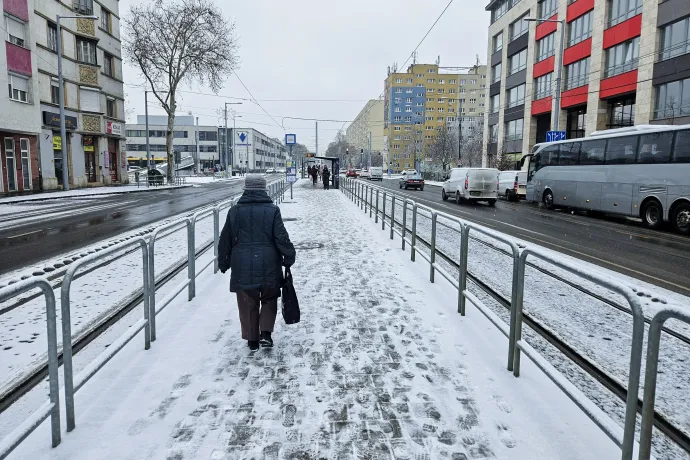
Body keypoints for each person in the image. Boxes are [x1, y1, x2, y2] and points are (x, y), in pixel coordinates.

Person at [218, 174, 296, 351]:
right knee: (269, 298)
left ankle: (252, 339)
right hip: (269, 262)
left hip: (241, 264)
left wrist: (224, 262)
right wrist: (289, 256)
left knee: (247, 301)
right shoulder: (272, 210)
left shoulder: (234, 211)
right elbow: (281, 237)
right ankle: (266, 333)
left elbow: (225, 240)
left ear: (246, 189)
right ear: (263, 189)